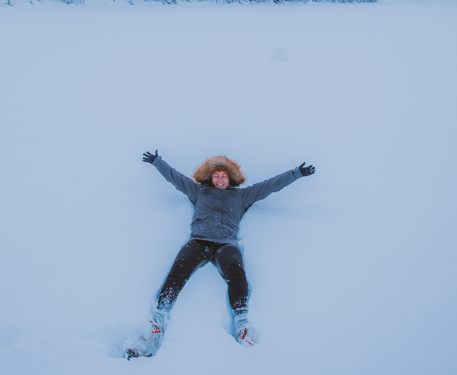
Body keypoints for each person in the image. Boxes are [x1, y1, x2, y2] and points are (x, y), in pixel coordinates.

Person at [124, 151, 315, 358]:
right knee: (177, 273)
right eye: (216, 175)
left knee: (237, 275)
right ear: (210, 178)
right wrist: (157, 162)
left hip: (226, 245)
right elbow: (176, 178)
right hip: (199, 242)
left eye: (224, 175)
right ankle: (158, 319)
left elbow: (270, 185)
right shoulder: (199, 191)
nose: (220, 179)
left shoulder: (242, 195)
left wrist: (296, 173)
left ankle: (242, 323)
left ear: (230, 178)